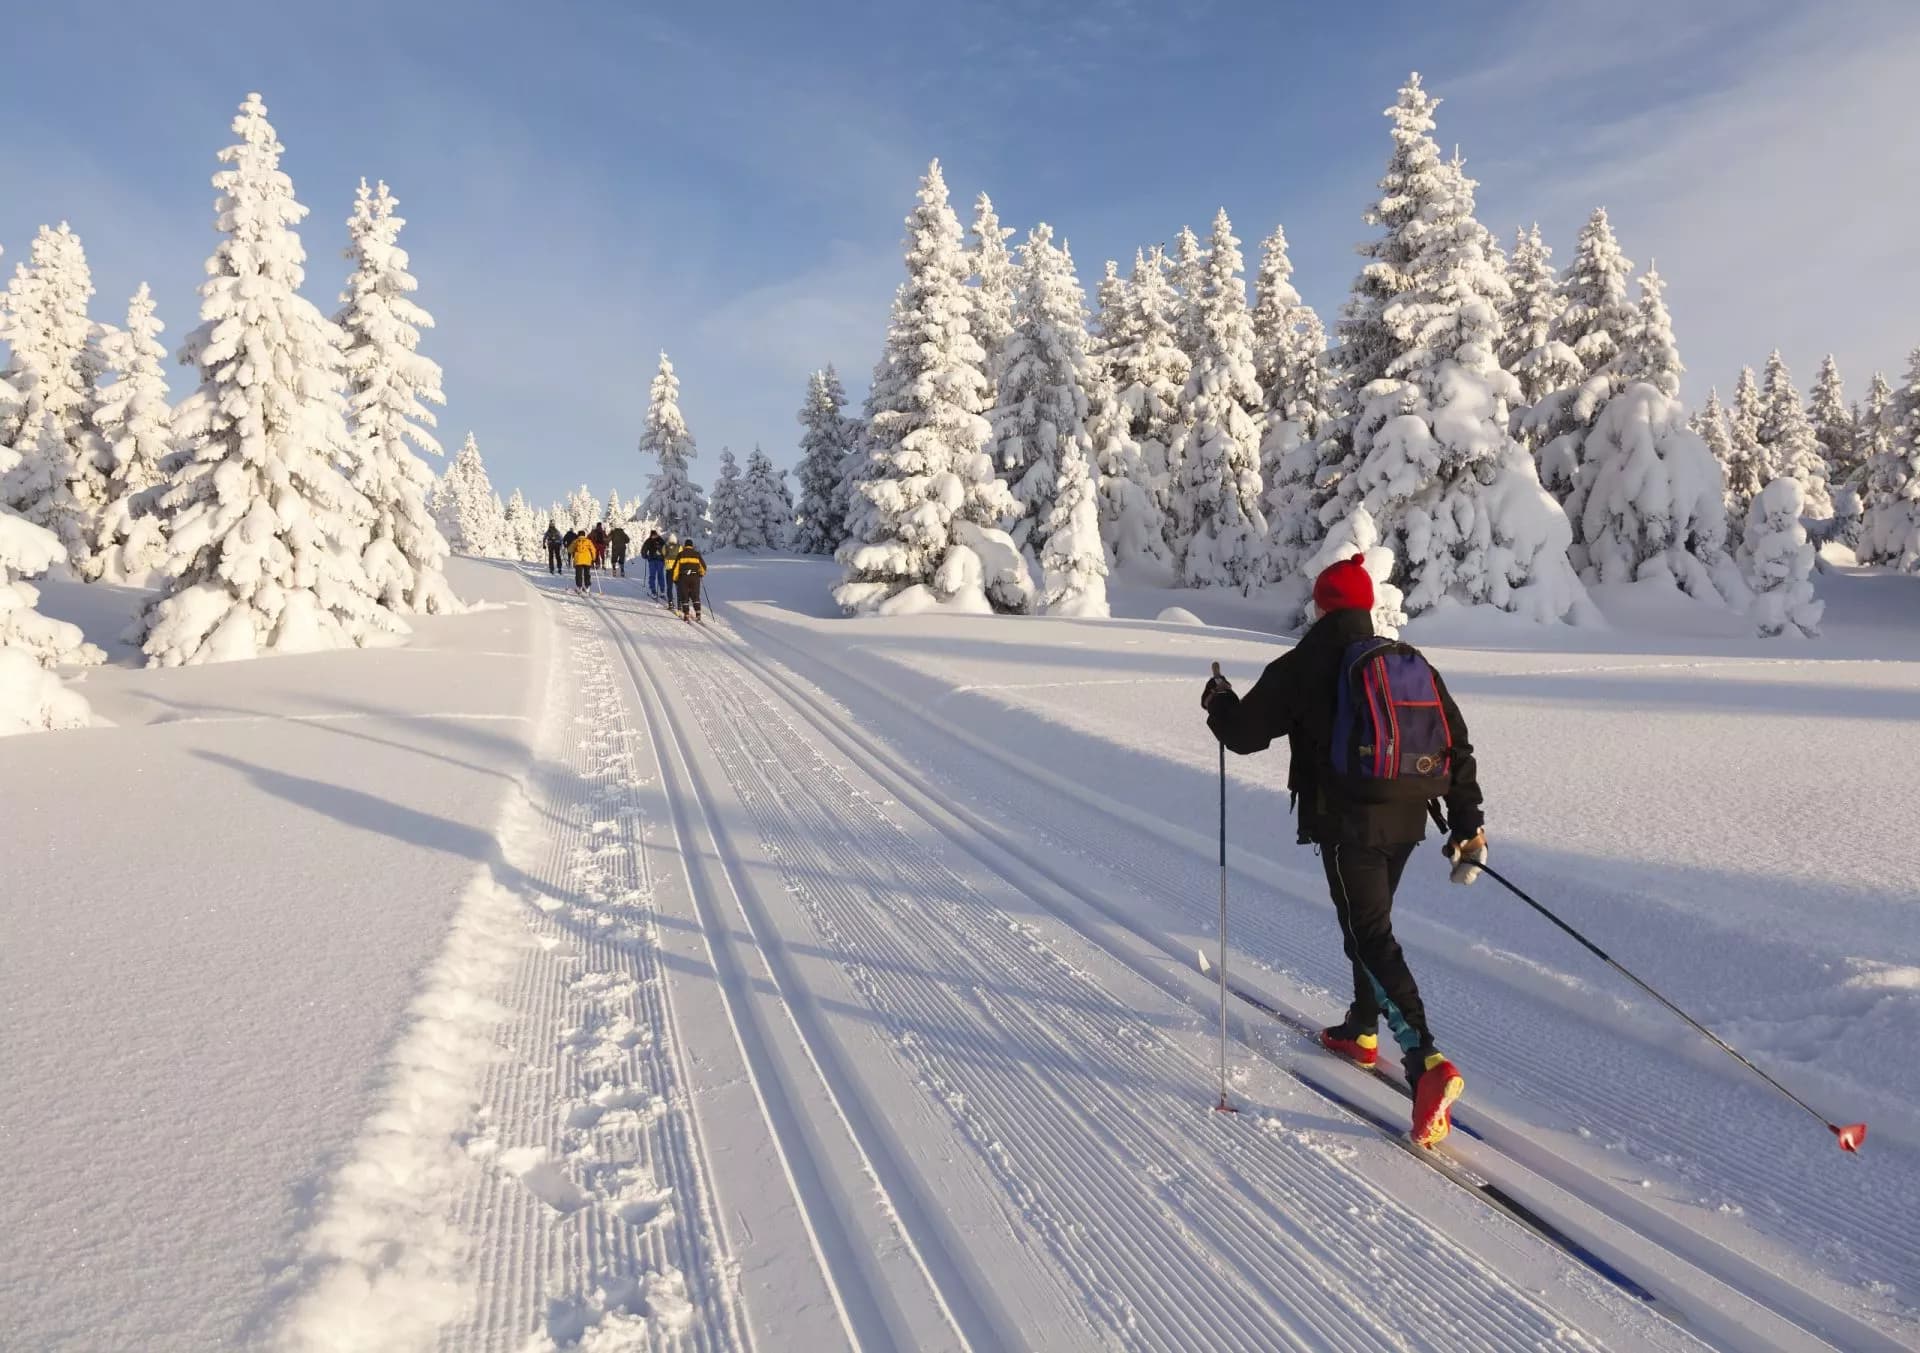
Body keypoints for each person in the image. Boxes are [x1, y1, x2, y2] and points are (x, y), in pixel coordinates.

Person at [1201, 554, 1486, 1148]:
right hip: (1409, 820)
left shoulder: (1304, 664)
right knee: (1368, 924)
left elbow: (1244, 735)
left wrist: (1218, 700)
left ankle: (1426, 1063)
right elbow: (1456, 747)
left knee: (1368, 936)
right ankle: (1361, 1028)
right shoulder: (1408, 663)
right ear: (1365, 606)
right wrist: (1467, 826)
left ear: (1322, 605)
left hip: (1345, 822)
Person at [671, 540, 707, 621]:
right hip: (695, 577)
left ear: (685, 545)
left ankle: (686, 614)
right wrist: (701, 574)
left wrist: (675, 579)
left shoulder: (681, 554)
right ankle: (698, 614)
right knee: (695, 596)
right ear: (692, 546)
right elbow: (703, 567)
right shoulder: (697, 554)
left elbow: (676, 568)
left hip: (684, 577)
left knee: (685, 596)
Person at [641, 529, 666, 597]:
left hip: (652, 560)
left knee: (652, 576)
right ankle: (662, 591)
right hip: (660, 561)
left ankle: (653, 591)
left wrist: (645, 556)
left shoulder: (649, 541)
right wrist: (664, 558)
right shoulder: (661, 540)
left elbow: (643, 550)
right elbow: (665, 550)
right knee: (660, 575)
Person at [662, 537, 681, 609]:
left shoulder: (665, 547)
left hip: (669, 569)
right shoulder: (679, 547)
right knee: (678, 587)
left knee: (669, 587)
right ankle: (680, 604)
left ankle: (670, 602)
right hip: (677, 570)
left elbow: (663, 554)